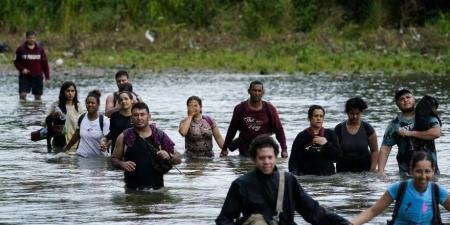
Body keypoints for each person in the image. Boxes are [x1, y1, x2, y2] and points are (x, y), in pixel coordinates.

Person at [216, 135, 351, 225]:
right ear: (253, 159)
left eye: (270, 157)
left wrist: (345, 223)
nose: (266, 162)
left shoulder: (288, 180)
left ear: (276, 157)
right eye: (262, 158)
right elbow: (223, 220)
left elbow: (313, 212)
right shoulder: (241, 184)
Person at [352, 151, 450, 225]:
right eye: (418, 171)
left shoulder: (437, 191)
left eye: (427, 171)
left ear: (433, 171)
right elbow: (373, 211)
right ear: (411, 170)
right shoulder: (399, 188)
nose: (423, 176)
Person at [111, 102, 181, 190]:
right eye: (136, 115)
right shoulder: (124, 137)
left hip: (157, 191)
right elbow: (114, 159)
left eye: (142, 114)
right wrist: (122, 164)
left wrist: (169, 157)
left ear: (149, 116)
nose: (139, 118)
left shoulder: (159, 135)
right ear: (131, 118)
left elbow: (178, 158)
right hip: (132, 191)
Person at [378, 88, 441, 177]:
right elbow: (385, 149)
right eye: (401, 99)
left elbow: (436, 133)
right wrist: (381, 171)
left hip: (430, 172)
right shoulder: (394, 125)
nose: (405, 100)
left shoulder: (426, 115)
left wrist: (410, 133)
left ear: (413, 99)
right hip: (406, 174)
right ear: (397, 104)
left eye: (408, 97)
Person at [220, 80, 288, 158]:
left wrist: (284, 149)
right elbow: (232, 129)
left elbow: (279, 129)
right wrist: (224, 148)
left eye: (259, 91)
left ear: (263, 93)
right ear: (249, 91)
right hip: (245, 153)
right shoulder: (240, 108)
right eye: (254, 90)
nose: (257, 93)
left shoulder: (269, 109)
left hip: (264, 152)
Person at [289, 105, 341, 176]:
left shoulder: (330, 134)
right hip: (306, 177)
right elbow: (293, 159)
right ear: (309, 118)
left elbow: (337, 157)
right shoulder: (302, 136)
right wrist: (294, 175)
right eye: (316, 116)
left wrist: (326, 144)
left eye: (321, 116)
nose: (318, 118)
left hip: (327, 177)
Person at [334, 97, 378, 172]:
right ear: (347, 112)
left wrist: (372, 170)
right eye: (352, 113)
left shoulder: (368, 129)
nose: (355, 116)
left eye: (357, 113)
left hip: (364, 170)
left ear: (361, 112)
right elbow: (334, 152)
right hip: (343, 170)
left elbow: (374, 151)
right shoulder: (338, 129)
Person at [64, 90, 110, 157]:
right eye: (88, 103)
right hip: (81, 156)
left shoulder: (104, 120)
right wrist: (67, 147)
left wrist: (105, 145)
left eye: (93, 103)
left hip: (98, 158)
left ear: (98, 105)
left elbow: (109, 138)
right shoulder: (81, 118)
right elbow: (77, 134)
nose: (90, 105)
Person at [47, 81, 84, 153]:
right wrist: (53, 116)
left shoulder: (78, 106)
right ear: (63, 92)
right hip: (59, 142)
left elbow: (81, 125)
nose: (70, 93)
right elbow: (47, 122)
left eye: (72, 91)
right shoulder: (56, 105)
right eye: (68, 91)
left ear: (75, 92)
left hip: (74, 143)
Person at [14, 30, 50, 101]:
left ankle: (36, 111)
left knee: (38, 98)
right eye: (30, 38)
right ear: (26, 38)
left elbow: (45, 64)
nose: (32, 40)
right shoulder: (20, 49)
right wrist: (22, 69)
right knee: (22, 96)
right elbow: (16, 62)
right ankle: (23, 110)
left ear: (35, 38)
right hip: (25, 76)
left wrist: (47, 76)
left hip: (38, 76)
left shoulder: (40, 49)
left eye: (33, 38)